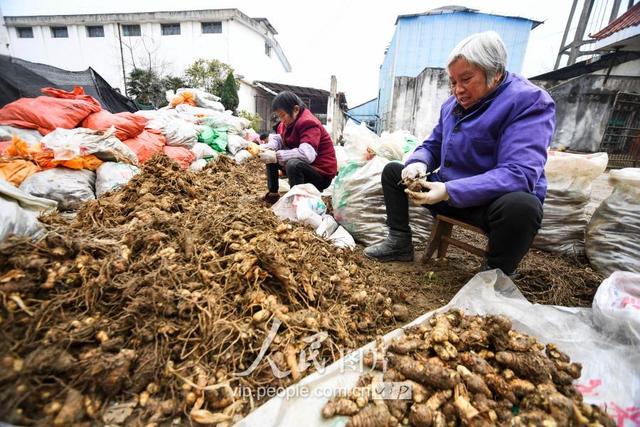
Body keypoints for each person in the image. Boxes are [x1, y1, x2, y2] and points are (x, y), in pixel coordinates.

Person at [364, 31, 556, 276]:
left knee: (523, 207)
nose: (458, 90)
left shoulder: (529, 102)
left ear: (495, 74)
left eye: (466, 79)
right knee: (394, 172)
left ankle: (496, 274)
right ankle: (399, 242)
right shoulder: (452, 106)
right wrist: (418, 164)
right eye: (453, 82)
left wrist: (449, 191)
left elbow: (520, 173)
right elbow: (433, 144)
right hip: (448, 193)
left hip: (488, 202)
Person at [259, 91, 337, 204]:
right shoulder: (287, 123)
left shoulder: (309, 123)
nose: (281, 120)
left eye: (283, 115)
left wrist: (276, 156)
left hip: (320, 174)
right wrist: (270, 147)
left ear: (296, 109)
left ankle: (297, 202)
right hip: (307, 167)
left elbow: (307, 155)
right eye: (279, 116)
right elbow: (279, 138)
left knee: (293, 164)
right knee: (270, 156)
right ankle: (273, 194)